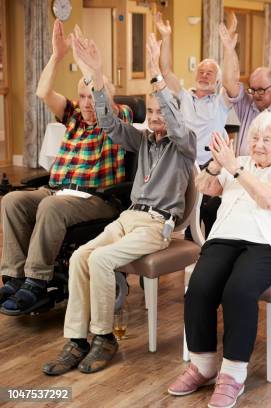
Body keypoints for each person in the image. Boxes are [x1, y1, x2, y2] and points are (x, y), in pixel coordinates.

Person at [42, 33, 196, 375]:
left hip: (158, 225)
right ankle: (77, 341)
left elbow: (174, 119)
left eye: (161, 112)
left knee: (100, 259)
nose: (155, 117)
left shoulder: (185, 144)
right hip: (129, 217)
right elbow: (109, 124)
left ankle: (103, 337)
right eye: (151, 112)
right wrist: (97, 75)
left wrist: (157, 74)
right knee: (82, 256)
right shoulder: (141, 140)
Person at [167, 111, 271, 408]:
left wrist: (235, 169)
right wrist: (216, 166)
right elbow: (206, 187)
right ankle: (202, 366)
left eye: (267, 139)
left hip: (268, 243)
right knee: (199, 287)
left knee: (238, 291)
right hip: (225, 237)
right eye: (254, 138)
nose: (259, 144)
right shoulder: (237, 161)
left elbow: (270, 200)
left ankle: (232, 375)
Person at [0, 20, 132, 315]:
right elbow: (43, 91)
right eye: (82, 96)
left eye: (92, 97)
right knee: (12, 201)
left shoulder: (117, 117)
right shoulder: (72, 115)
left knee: (50, 209)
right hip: (58, 191)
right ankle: (15, 276)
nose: (87, 104)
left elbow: (103, 101)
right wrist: (57, 56)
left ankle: (36, 281)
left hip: (97, 199)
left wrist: (92, 68)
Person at [155, 13, 231, 236]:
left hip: (211, 166)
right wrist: (166, 37)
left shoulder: (221, 101)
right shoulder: (183, 96)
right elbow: (166, 71)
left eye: (210, 73)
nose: (204, 75)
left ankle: (210, 245)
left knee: (210, 211)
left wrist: (228, 48)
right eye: (201, 71)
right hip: (184, 165)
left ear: (217, 81)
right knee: (182, 213)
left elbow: (230, 80)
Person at [219, 15, 271, 155]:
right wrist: (228, 50)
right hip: (243, 169)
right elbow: (227, 82)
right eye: (253, 89)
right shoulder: (247, 104)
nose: (256, 94)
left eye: (261, 90)